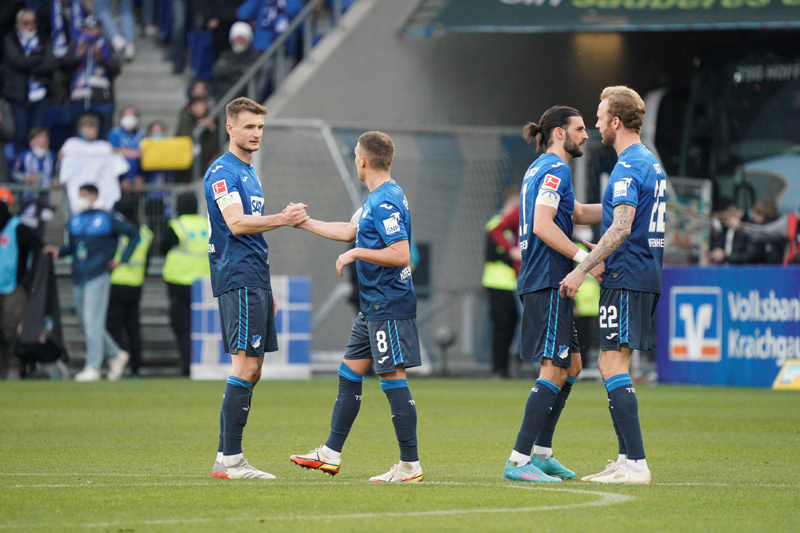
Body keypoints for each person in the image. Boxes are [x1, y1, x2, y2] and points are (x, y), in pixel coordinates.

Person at [290, 131, 424, 483]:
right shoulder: (376, 199)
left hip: (390, 304)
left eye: (354, 155)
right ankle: (330, 454)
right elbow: (349, 230)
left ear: (363, 160)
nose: (354, 161)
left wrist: (355, 253)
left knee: (392, 378)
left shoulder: (385, 201)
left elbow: (400, 254)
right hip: (374, 305)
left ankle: (410, 466)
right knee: (349, 372)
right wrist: (304, 222)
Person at [560, 86, 667, 485]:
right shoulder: (646, 162)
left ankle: (636, 463)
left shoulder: (627, 167)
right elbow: (615, 217)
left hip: (627, 274)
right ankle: (625, 459)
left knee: (611, 363)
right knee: (612, 362)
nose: (597, 123)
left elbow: (621, 227)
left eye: (601, 115)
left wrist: (581, 268)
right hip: (639, 273)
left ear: (616, 122)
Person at [204, 97, 308, 479]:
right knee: (245, 365)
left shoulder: (249, 173)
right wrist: (282, 218)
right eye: (249, 127)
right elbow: (235, 224)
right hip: (237, 276)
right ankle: (228, 460)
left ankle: (232, 458)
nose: (256, 134)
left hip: (254, 279)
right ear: (230, 128)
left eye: (261, 127)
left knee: (256, 368)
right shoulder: (222, 172)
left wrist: (267, 286)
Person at [503, 106, 603, 483]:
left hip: (551, 280)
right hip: (547, 279)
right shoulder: (556, 169)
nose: (585, 135)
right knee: (554, 368)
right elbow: (544, 226)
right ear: (559, 133)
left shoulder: (540, 169)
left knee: (572, 366)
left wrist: (623, 211)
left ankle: (542, 454)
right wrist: (586, 260)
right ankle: (518, 461)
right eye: (579, 129)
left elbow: (574, 213)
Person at [45, 184, 139, 382]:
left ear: (95, 196)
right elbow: (72, 247)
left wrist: (122, 259)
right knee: (85, 322)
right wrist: (58, 251)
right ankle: (115, 354)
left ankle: (93, 366)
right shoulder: (76, 220)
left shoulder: (107, 218)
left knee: (92, 321)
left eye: (85, 195)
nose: (81, 199)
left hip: (98, 274)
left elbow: (133, 234)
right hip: (80, 275)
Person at [161, 192, 210, 377]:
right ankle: (204, 362)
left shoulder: (176, 226)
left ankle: (187, 365)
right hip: (204, 284)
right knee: (202, 326)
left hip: (178, 282)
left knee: (182, 326)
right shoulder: (207, 224)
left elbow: (164, 246)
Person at [0, 188, 43, 379]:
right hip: (10, 285)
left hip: (13, 287)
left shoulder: (18, 228)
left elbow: (38, 248)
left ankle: (13, 366)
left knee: (10, 328)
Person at [106, 199, 152, 377]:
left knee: (114, 327)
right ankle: (135, 367)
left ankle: (119, 359)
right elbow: (146, 261)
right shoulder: (146, 232)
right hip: (136, 283)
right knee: (133, 327)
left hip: (116, 282)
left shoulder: (117, 231)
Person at [1, 8, 57, 154]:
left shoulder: (43, 38)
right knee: (19, 134)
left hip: (39, 95)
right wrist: (37, 57)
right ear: (18, 24)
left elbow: (51, 63)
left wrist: (29, 61)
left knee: (38, 133)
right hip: (18, 95)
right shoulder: (10, 38)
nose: (30, 27)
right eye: (26, 23)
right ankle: (20, 167)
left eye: (33, 23)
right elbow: (18, 61)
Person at [482, 185, 521, 379]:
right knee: (501, 327)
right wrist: (511, 255)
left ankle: (506, 368)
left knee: (512, 326)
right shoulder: (496, 224)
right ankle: (498, 369)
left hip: (512, 283)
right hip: (497, 282)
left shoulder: (517, 226)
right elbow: (490, 254)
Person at [63, 15, 121, 138]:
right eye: (86, 29)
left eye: (92, 29)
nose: (89, 32)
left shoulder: (107, 45)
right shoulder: (75, 45)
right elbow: (64, 67)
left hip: (102, 101)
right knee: (77, 136)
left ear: (99, 30)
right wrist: (77, 56)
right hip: (79, 99)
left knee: (104, 137)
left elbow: (116, 70)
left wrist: (101, 59)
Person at [58, 113, 127, 213]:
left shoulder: (104, 147)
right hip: (78, 192)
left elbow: (119, 167)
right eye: (87, 127)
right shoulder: (71, 144)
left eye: (93, 127)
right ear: (80, 129)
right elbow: (61, 163)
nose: (90, 130)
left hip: (102, 193)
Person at [211, 22, 260, 100]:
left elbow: (250, 74)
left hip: (244, 97)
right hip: (224, 96)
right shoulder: (226, 54)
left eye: (243, 38)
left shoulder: (253, 56)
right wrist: (240, 68)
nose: (239, 40)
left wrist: (228, 68)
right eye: (237, 37)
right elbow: (217, 70)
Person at [176, 95, 218, 183]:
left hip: (203, 162)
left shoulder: (209, 119)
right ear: (192, 107)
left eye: (204, 105)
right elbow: (184, 135)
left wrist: (212, 129)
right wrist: (198, 126)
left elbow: (213, 145)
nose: (203, 108)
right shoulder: (185, 118)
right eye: (199, 105)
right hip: (185, 163)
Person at [108, 106, 146, 195]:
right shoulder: (115, 133)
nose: (129, 119)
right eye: (126, 116)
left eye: (132, 116)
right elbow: (112, 154)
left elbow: (145, 156)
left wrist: (140, 176)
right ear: (121, 118)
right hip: (119, 178)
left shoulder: (142, 135)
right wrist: (122, 178)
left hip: (137, 177)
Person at [12, 127, 56, 203]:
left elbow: (55, 174)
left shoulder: (52, 157)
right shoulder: (25, 156)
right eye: (40, 136)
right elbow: (14, 173)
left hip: (47, 198)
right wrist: (26, 178)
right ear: (32, 141)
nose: (44, 139)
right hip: (28, 198)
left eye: (46, 136)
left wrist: (55, 180)